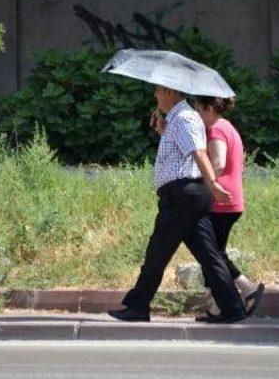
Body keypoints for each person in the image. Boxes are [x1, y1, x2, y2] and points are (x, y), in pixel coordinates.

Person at [108, 85, 247, 324]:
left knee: (158, 251)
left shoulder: (183, 117)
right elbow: (181, 154)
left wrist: (213, 183)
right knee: (209, 254)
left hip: (182, 196)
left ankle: (138, 306)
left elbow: (198, 153)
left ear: (170, 92)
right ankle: (232, 307)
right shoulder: (179, 119)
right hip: (187, 195)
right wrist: (164, 131)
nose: (155, 95)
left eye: (158, 91)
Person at [194, 96, 264, 320]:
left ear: (207, 108)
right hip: (230, 200)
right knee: (215, 254)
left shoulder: (215, 130)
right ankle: (218, 306)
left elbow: (219, 163)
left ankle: (248, 287)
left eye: (197, 108)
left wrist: (205, 181)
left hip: (220, 201)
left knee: (212, 255)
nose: (196, 113)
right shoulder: (227, 126)